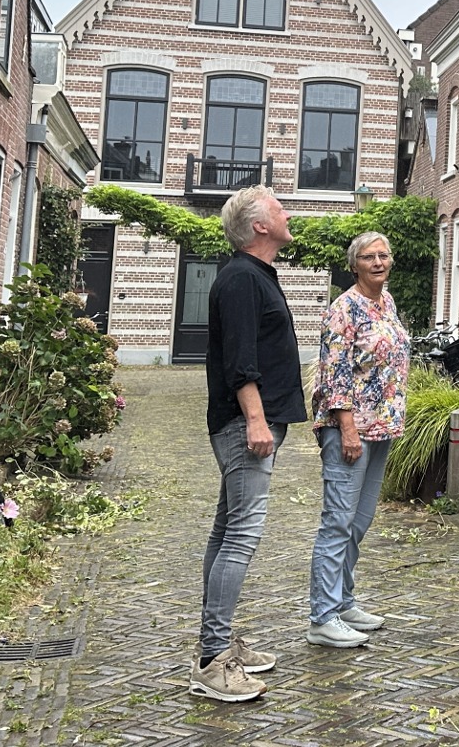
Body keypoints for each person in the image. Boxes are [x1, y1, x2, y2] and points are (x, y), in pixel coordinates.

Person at [191, 186, 306, 703]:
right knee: (242, 534)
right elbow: (241, 360)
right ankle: (214, 661)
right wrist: (256, 421)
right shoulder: (240, 279)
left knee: (227, 529)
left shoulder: (253, 276)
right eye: (280, 209)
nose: (288, 214)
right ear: (259, 226)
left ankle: (216, 647)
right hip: (245, 427)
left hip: (250, 424)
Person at [306, 231, 409, 648]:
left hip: (381, 427)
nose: (379, 262)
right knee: (337, 521)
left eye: (384, 254)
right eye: (369, 256)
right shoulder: (343, 309)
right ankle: (322, 617)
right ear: (355, 265)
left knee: (359, 521)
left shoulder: (387, 303)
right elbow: (335, 374)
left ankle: (344, 601)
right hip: (349, 431)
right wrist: (347, 428)